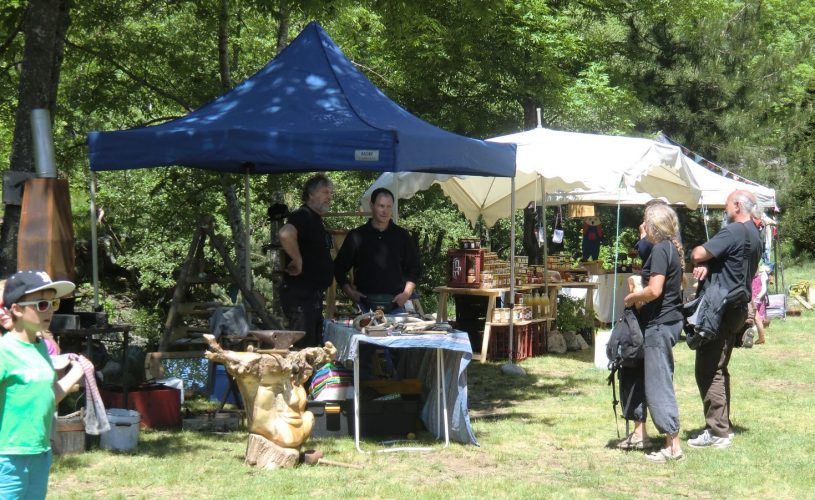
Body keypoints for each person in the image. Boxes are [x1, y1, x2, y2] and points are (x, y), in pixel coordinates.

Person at [0, 270, 85, 499]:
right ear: (16, 309)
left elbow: (47, 395)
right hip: (7, 458)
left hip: (40, 453)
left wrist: (76, 372)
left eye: (53, 303)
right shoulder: (4, 352)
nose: (50, 310)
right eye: (42, 304)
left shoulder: (40, 348)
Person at [688, 190, 762, 449]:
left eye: (727, 205)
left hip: (721, 307)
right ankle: (723, 426)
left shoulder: (733, 231)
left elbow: (698, 254)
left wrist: (701, 257)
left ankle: (718, 431)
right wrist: (712, 266)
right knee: (719, 365)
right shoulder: (755, 234)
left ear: (738, 205)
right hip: (739, 308)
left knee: (709, 369)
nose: (724, 209)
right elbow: (733, 264)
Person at [620, 204, 686, 463]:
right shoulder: (668, 247)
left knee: (659, 384)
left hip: (659, 325)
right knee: (647, 378)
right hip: (663, 322)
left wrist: (633, 296)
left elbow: (655, 290)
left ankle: (672, 445)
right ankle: (642, 435)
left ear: (653, 226)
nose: (642, 226)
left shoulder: (661, 250)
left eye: (645, 222)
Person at [334, 187, 420, 314]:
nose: (385, 211)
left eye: (389, 207)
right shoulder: (357, 235)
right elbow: (338, 267)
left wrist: (406, 294)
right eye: (381, 206)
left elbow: (415, 268)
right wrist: (350, 292)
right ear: (372, 205)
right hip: (364, 306)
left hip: (396, 305)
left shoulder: (402, 236)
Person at [278, 174, 335, 348]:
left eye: (331, 193)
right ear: (311, 194)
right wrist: (297, 259)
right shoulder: (303, 215)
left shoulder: (316, 219)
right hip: (301, 296)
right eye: (325, 192)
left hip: (311, 296)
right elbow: (285, 233)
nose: (329, 197)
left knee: (311, 350)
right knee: (302, 352)